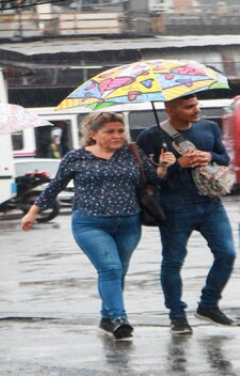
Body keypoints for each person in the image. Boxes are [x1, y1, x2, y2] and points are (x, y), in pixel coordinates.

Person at [21, 111, 175, 341]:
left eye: (120, 131)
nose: (117, 135)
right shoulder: (76, 157)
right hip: (90, 223)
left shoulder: (132, 152)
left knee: (118, 271)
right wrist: (33, 213)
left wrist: (163, 166)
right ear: (93, 134)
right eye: (110, 131)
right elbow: (54, 187)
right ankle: (119, 319)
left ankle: (106, 318)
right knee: (110, 269)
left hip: (129, 223)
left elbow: (152, 179)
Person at [136, 94, 237, 335]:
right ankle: (177, 315)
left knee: (227, 254)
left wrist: (208, 156)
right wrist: (176, 165)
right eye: (189, 107)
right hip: (174, 206)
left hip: (211, 202)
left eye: (196, 105)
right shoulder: (150, 136)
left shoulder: (209, 127)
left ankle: (208, 305)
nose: (196, 110)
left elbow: (224, 158)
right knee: (173, 261)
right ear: (170, 110)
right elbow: (146, 176)